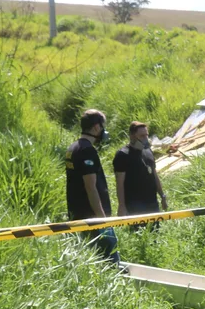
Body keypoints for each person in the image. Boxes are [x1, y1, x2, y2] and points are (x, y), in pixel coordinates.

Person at [65, 109, 120, 264]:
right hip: (92, 217)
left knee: (91, 261)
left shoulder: (73, 147)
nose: (104, 131)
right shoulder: (87, 151)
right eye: (103, 126)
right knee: (110, 262)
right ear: (96, 127)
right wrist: (102, 219)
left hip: (77, 214)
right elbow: (91, 187)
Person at [113, 121, 167, 216]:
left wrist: (162, 196)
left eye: (146, 135)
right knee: (139, 230)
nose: (145, 139)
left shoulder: (148, 151)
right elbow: (119, 183)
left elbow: (154, 174)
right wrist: (121, 205)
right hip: (135, 205)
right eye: (142, 136)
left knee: (156, 230)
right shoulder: (123, 155)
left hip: (152, 202)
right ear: (132, 136)